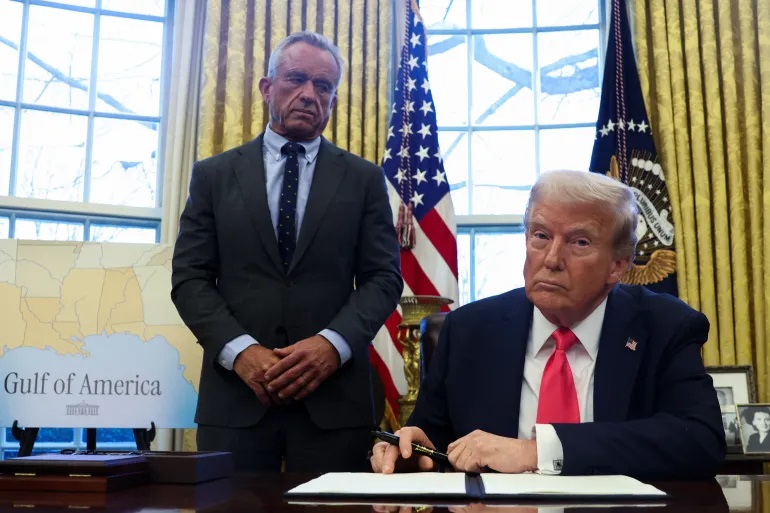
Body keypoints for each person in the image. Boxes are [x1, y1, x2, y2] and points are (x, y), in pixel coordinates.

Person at [371, 170, 725, 479]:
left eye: (579, 242)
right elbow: (432, 442)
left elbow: (700, 441)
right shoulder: (469, 330)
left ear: (618, 265)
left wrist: (538, 451)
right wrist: (410, 451)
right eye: (540, 236)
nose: (552, 259)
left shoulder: (663, 326)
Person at [171, 31, 403, 472]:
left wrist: (331, 345)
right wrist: (240, 352)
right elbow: (190, 278)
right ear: (267, 87)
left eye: (323, 86)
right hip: (236, 402)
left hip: (335, 406)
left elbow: (384, 278)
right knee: (229, 506)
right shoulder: (213, 176)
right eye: (296, 79)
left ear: (332, 100)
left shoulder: (364, 179)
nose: (309, 94)